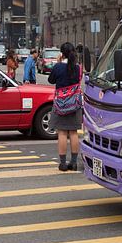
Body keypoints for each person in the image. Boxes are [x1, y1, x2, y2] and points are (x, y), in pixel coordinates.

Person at [48, 42, 82, 171]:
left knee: (62, 132)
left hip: (61, 104)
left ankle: (63, 164)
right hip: (74, 104)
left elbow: (51, 80)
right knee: (73, 133)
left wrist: (58, 63)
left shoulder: (58, 67)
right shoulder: (78, 68)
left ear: (62, 54)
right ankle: (73, 163)